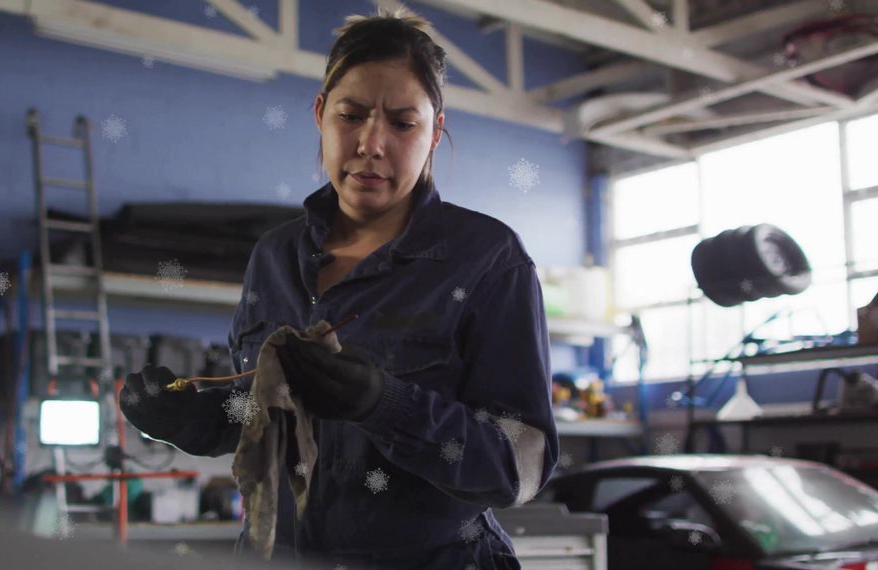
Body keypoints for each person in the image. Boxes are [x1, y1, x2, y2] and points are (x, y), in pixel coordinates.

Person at [120, 5, 559, 568]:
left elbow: (519, 467)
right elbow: (261, 415)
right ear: (322, 114)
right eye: (351, 115)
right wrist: (187, 420)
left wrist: (384, 404)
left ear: (435, 131)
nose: (371, 144)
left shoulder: (487, 261)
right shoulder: (275, 256)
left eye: (403, 123)